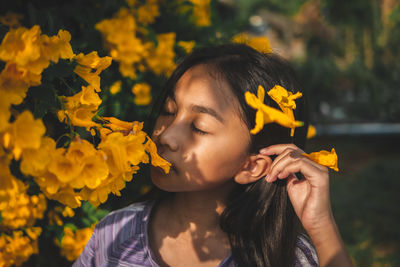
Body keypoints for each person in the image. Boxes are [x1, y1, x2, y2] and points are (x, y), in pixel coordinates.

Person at [73, 44, 352, 267]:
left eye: (199, 128)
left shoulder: (282, 257)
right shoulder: (114, 233)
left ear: (252, 165)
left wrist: (321, 225)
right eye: (169, 111)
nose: (165, 136)